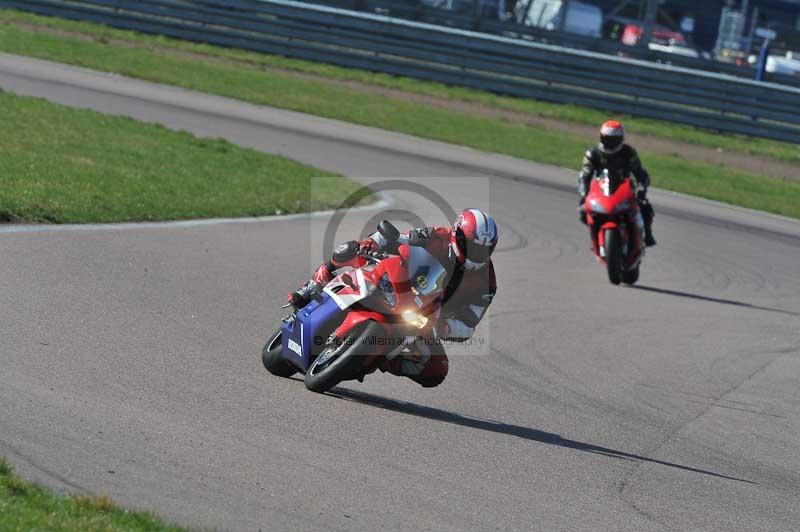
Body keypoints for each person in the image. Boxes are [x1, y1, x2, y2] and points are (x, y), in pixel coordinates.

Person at [288, 209, 499, 388]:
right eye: (471, 245)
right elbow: (400, 238)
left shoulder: (486, 283)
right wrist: (373, 242)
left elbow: (469, 323)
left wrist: (444, 328)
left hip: (427, 318)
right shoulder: (437, 236)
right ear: (457, 235)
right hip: (401, 286)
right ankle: (316, 281)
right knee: (354, 249)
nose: (476, 252)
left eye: (483, 249)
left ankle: (382, 358)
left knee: (437, 369)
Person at [578, 120, 656, 247]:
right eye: (607, 139)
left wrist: (642, 188)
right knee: (582, 211)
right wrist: (584, 194)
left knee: (645, 207)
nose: (610, 143)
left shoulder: (628, 153)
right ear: (601, 137)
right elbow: (584, 176)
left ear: (621, 139)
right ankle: (596, 237)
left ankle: (648, 235)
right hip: (600, 190)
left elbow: (640, 173)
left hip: (624, 188)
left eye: (613, 140)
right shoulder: (592, 153)